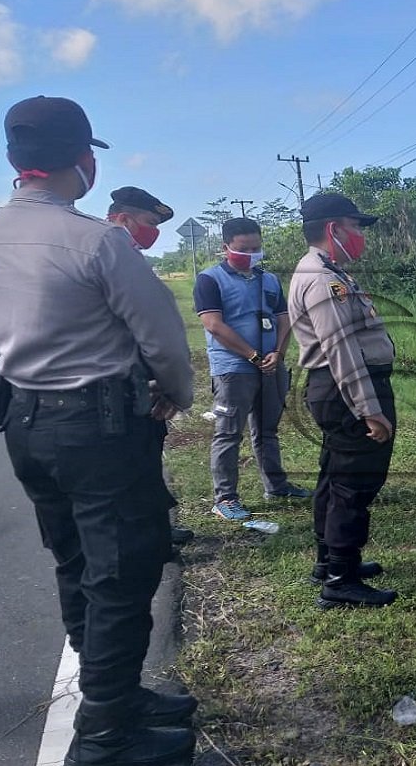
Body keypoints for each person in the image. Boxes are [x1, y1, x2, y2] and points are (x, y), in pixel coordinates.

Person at [0, 96, 196, 766]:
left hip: (25, 422)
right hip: (95, 427)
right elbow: (161, 338)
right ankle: (103, 735)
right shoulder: (96, 241)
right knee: (122, 571)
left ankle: (115, 695)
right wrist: (175, 396)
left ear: (15, 161)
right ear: (82, 160)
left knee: (75, 562)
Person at [288, 192, 396, 609]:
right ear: (334, 228)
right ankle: (340, 578)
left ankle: (330, 560)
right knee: (354, 483)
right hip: (345, 387)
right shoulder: (323, 279)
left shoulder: (328, 271)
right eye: (355, 226)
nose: (359, 236)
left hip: (336, 389)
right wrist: (369, 409)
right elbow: (341, 351)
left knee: (335, 477)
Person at [196, 217, 309, 521]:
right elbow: (213, 325)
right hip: (233, 368)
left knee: (267, 430)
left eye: (256, 248)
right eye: (244, 249)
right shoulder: (210, 280)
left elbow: (284, 317)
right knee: (229, 433)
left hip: (271, 366)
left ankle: (276, 485)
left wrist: (278, 353)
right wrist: (253, 355)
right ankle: (226, 498)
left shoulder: (268, 279)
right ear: (226, 247)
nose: (251, 254)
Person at [105, 186, 193, 545]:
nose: (153, 230)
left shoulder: (132, 259)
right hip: (117, 389)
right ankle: (145, 538)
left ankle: (157, 530)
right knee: (128, 471)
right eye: (149, 222)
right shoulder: (110, 259)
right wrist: (176, 390)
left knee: (146, 465)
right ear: (122, 219)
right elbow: (156, 336)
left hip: (141, 386)